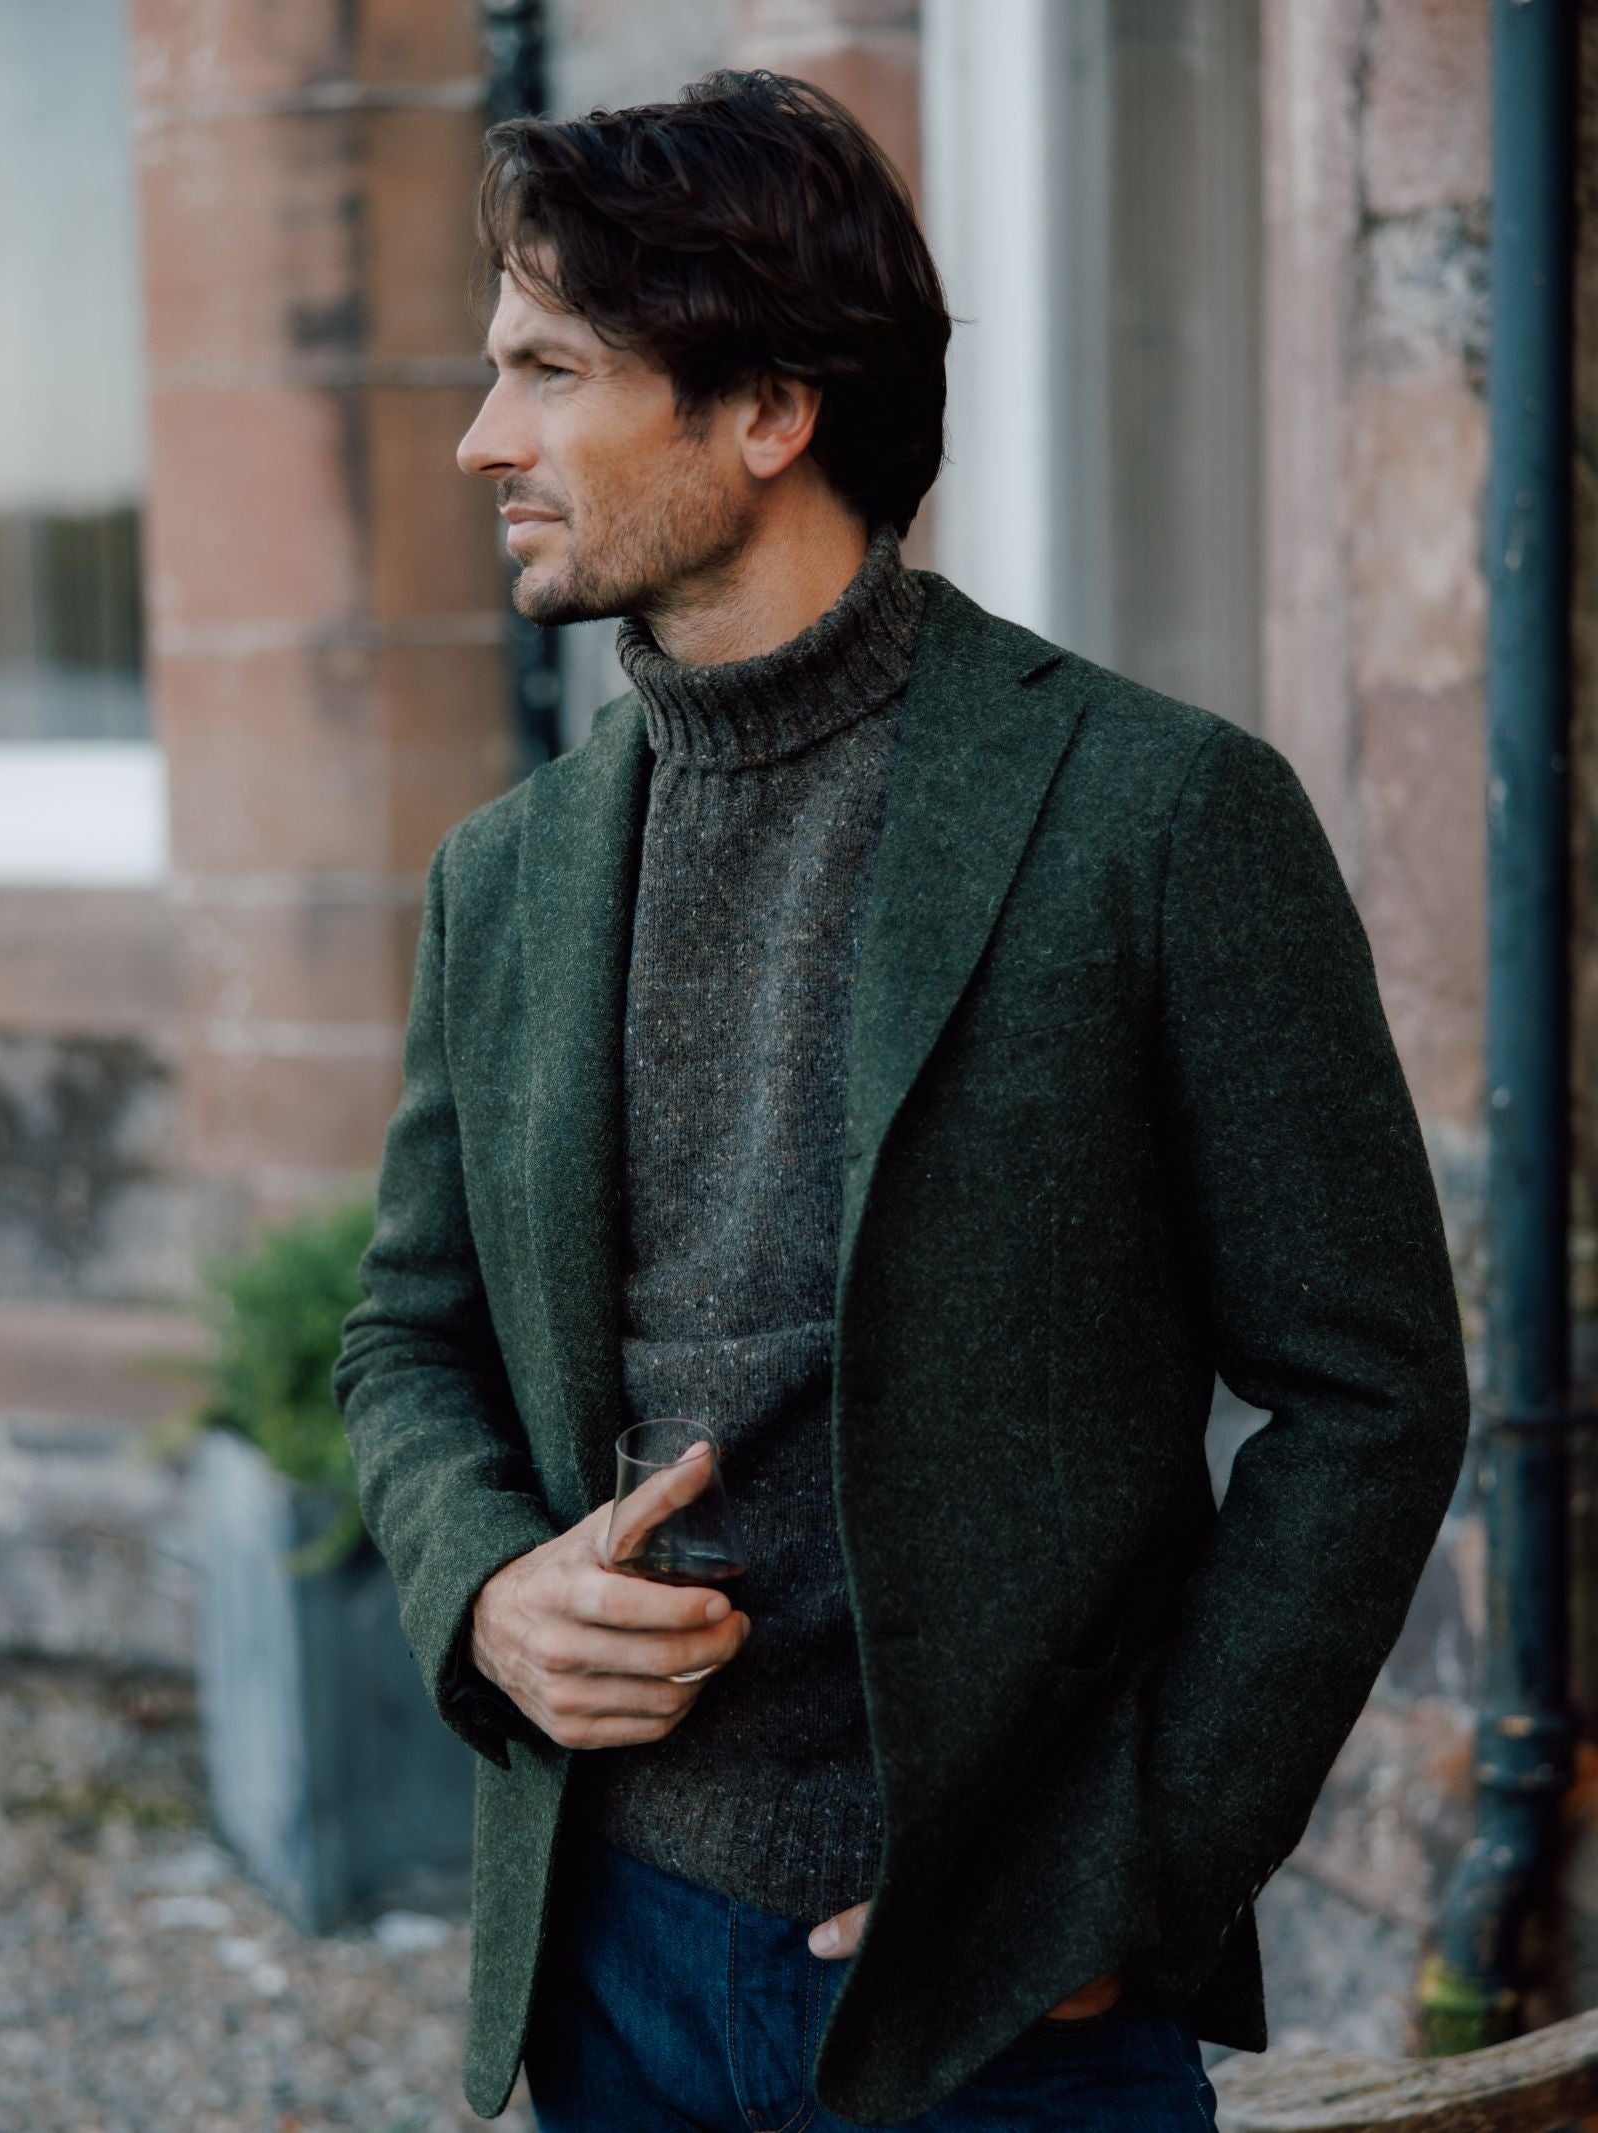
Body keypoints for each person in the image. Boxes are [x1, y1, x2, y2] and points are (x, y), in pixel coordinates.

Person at [331, 67, 1471, 2133]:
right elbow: (403, 1336)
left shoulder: (1158, 812)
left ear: (765, 410)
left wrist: (1135, 1852)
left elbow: (1365, 1391)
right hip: (605, 1971)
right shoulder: (495, 880)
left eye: (549, 369)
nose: (484, 436)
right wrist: (485, 1584)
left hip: (1012, 2012)